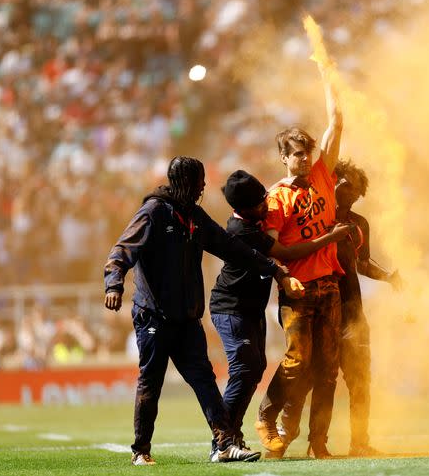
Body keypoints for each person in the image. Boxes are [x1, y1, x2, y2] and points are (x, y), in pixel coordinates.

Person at [104, 156, 296, 465]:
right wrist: (114, 284)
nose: (203, 187)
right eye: (198, 182)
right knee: (151, 382)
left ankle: (224, 444)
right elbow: (122, 250)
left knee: (205, 381)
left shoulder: (193, 216)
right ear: (184, 184)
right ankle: (141, 450)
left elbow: (230, 246)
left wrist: (272, 268)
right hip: (154, 316)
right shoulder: (153, 213)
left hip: (187, 318)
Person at [209, 170, 353, 451]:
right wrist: (329, 238)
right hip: (230, 306)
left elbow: (273, 199)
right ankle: (223, 437)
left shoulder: (255, 217)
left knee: (257, 367)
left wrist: (287, 182)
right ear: (243, 209)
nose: (267, 205)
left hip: (251, 308)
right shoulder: (243, 231)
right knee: (245, 368)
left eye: (265, 197)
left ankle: (233, 434)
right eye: (260, 203)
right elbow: (284, 254)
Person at [279, 160, 401, 456]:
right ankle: (294, 439)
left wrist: (387, 276)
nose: (351, 194)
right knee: (312, 376)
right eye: (346, 186)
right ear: (333, 183)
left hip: (351, 312)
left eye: (356, 191)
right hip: (316, 308)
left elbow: (361, 262)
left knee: (359, 378)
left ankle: (358, 442)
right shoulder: (313, 218)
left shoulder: (359, 225)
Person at [254, 58, 345, 458]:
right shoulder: (277, 197)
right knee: (296, 362)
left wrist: (328, 78)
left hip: (329, 284)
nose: (305, 159)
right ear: (283, 157)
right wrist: (281, 276)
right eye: (297, 154)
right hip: (297, 288)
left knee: (329, 370)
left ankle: (318, 443)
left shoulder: (324, 174)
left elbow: (337, 122)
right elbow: (271, 247)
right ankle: (266, 418)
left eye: (308, 152)